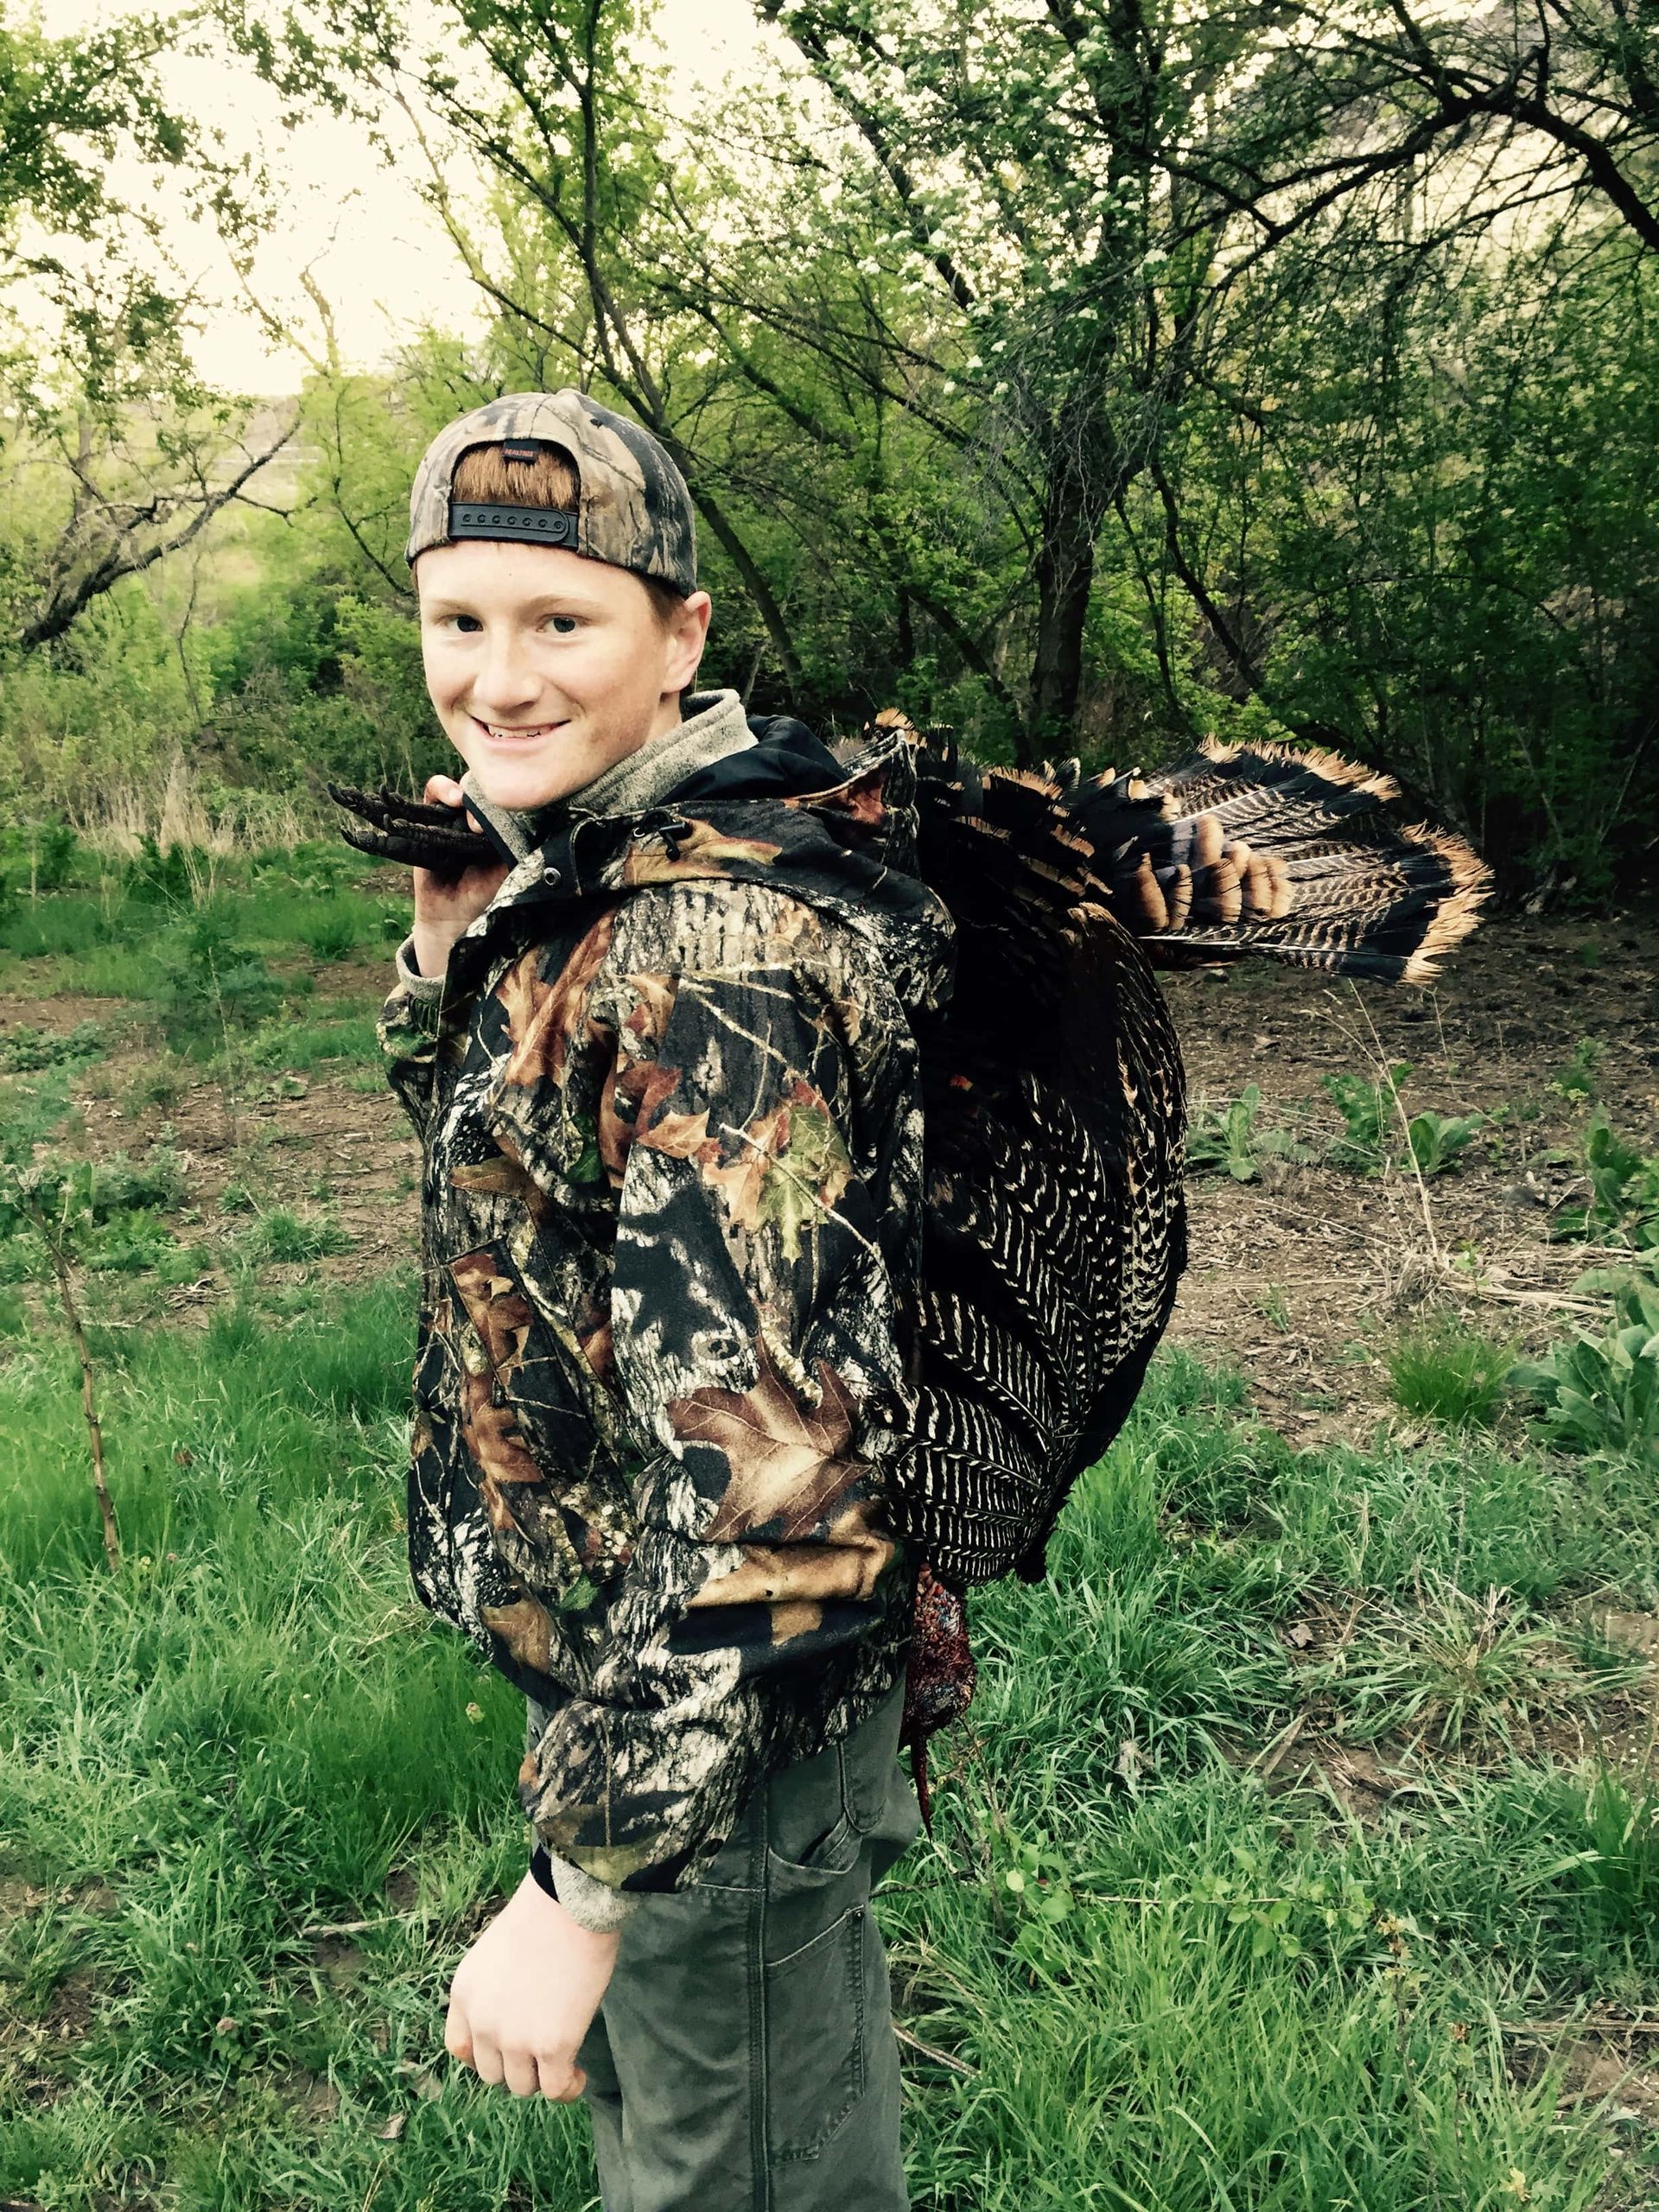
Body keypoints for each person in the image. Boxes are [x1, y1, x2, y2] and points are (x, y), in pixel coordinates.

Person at [374, 388, 956, 2211]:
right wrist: (457, 971)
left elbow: (783, 1493)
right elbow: (553, 1225)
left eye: (563, 620)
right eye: (460, 620)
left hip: (720, 1749)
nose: (499, 677)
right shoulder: (602, 871)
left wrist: (581, 1887)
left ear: (679, 632)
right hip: (638, 1708)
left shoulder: (719, 952)